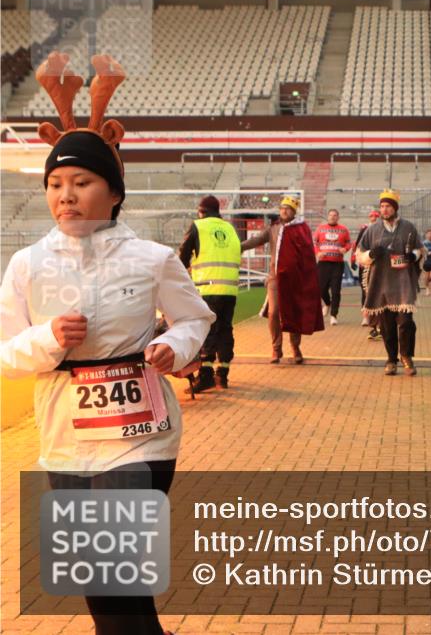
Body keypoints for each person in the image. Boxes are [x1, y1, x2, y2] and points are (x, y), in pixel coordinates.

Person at [1, 52, 213, 635]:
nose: (65, 195)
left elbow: (196, 320)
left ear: (114, 191)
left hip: (141, 436)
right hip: (63, 437)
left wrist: (177, 348)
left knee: (112, 578)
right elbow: (5, 352)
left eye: (82, 182)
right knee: (105, 590)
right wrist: (47, 339)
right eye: (55, 184)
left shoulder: (152, 259)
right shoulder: (26, 265)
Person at [240, 195, 324, 364]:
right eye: (282, 208)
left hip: (295, 279)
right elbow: (255, 240)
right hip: (275, 278)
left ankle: (295, 347)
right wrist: (236, 246)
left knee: (294, 312)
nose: (284, 211)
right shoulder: (273, 228)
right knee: (274, 312)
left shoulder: (302, 229)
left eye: (288, 209)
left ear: (293, 212)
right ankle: (276, 349)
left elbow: (307, 256)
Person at [357, 189, 424, 376]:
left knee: (406, 323)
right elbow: (360, 256)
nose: (384, 210)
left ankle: (406, 357)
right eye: (382, 206)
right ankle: (391, 359)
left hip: (403, 283)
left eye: (388, 206)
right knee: (386, 326)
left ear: (395, 208)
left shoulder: (408, 227)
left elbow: (420, 249)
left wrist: (414, 255)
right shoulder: (372, 230)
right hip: (382, 283)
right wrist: (370, 255)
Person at [178, 194, 241, 392]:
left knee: (206, 331)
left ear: (201, 211)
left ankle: (205, 376)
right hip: (230, 290)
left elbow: (182, 255)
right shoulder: (230, 228)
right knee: (224, 329)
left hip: (206, 287)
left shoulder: (198, 226)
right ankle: (222, 375)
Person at [313, 208, 351, 325]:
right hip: (323, 263)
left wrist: (345, 249)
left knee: (336, 291)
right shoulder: (320, 229)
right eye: (331, 215)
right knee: (320, 289)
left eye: (335, 215)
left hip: (337, 264)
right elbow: (314, 243)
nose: (333, 217)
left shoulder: (344, 230)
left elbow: (349, 243)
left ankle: (334, 315)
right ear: (327, 217)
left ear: (338, 217)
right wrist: (318, 252)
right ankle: (327, 303)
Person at [351, 209, 380, 333]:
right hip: (366, 264)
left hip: (379, 265)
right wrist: (354, 259)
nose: (374, 218)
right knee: (365, 291)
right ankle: (366, 316)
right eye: (372, 216)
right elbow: (357, 245)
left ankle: (379, 319)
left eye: (376, 216)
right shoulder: (365, 229)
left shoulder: (384, 229)